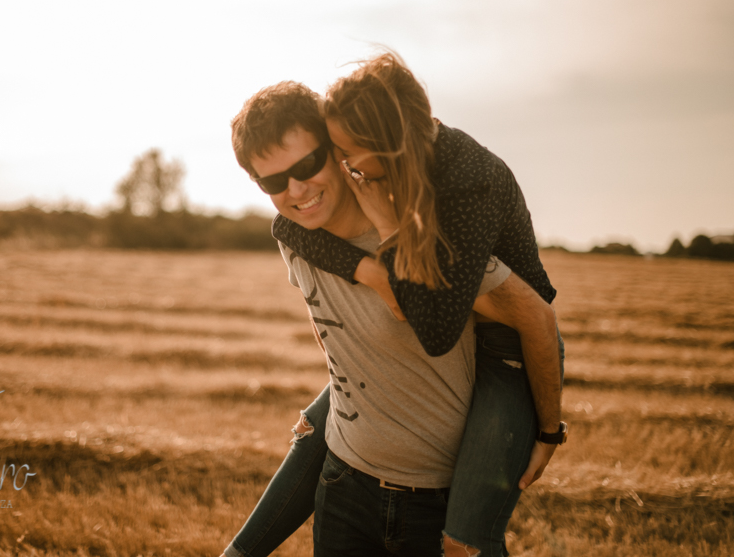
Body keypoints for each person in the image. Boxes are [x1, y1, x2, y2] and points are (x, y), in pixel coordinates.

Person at [226, 62, 564, 556]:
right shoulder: (294, 235)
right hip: (344, 487)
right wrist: (370, 273)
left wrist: (550, 428)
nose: (296, 190)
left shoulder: (433, 227)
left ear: (339, 151)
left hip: (441, 485)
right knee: (314, 429)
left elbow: (526, 318)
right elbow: (291, 235)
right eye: (274, 183)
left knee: (471, 542)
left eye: (308, 165)